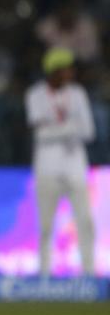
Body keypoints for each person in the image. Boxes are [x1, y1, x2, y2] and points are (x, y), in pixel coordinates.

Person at [25, 47, 95, 278]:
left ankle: (89, 273)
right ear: (53, 71)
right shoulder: (36, 94)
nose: (70, 73)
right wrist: (69, 128)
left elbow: (88, 132)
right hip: (47, 167)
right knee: (46, 225)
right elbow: (38, 134)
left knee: (85, 221)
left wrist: (53, 128)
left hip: (75, 166)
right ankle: (44, 274)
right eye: (65, 69)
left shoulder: (78, 94)